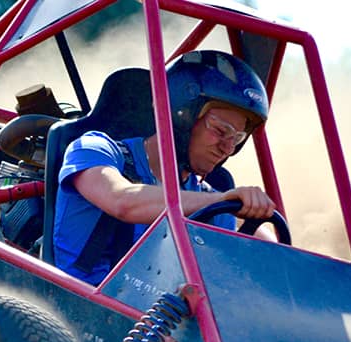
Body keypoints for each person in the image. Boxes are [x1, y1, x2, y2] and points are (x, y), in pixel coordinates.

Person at [53, 50, 277, 285]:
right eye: (221, 131)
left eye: (237, 138)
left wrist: (256, 213)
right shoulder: (95, 149)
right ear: (181, 115)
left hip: (158, 318)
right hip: (77, 310)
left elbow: (260, 256)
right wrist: (221, 201)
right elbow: (122, 201)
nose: (227, 148)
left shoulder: (207, 198)